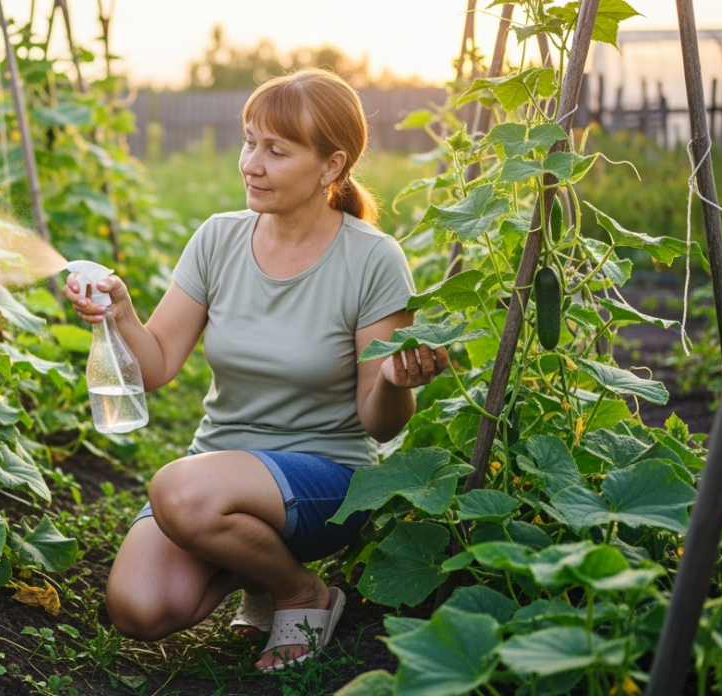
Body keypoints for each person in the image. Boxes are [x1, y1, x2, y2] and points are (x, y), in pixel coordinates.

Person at [63, 68, 450, 672]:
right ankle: (256, 570)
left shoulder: (373, 258)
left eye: (276, 150)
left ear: (331, 166)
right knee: (140, 608)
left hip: (328, 478)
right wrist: (121, 315)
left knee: (176, 487)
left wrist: (397, 384)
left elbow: (378, 424)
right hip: (219, 477)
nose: (251, 163)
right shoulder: (218, 238)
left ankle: (303, 594)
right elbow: (157, 364)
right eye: (249, 141)